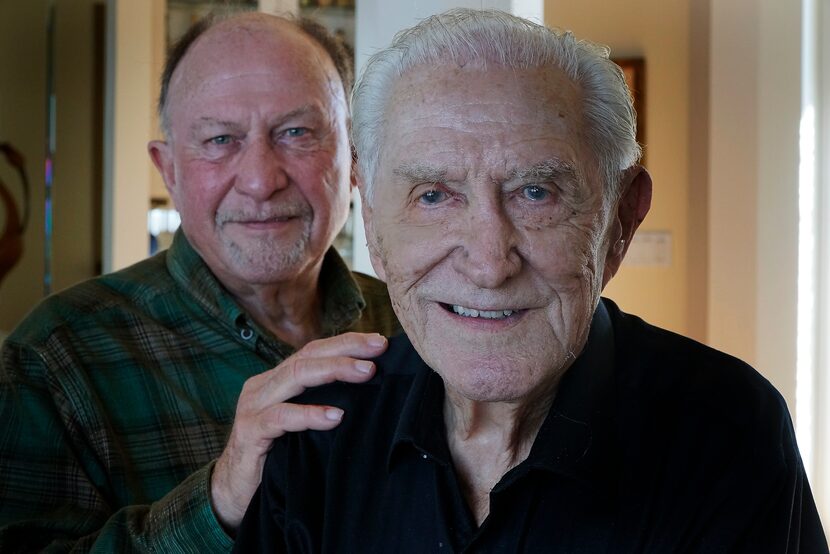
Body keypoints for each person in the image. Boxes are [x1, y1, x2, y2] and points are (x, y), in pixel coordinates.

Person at [234, 9, 829, 552]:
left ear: (621, 219)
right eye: (434, 195)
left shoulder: (726, 433)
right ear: (374, 225)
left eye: (535, 193)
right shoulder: (320, 433)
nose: (490, 265)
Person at [0, 12, 399, 552]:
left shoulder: (414, 323)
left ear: (352, 158)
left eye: (297, 133)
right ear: (169, 170)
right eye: (219, 139)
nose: (260, 180)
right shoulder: (53, 359)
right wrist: (218, 502)